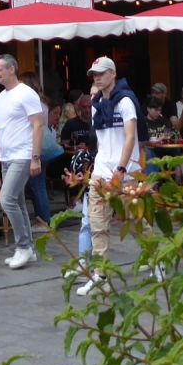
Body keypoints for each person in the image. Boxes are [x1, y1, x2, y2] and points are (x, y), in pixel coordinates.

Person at [73, 57, 140, 295]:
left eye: (101, 73)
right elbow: (101, 139)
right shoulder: (96, 103)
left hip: (125, 173)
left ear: (113, 74)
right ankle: (100, 274)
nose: (97, 78)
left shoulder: (126, 101)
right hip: (101, 173)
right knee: (97, 226)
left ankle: (156, 260)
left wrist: (121, 169)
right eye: (94, 74)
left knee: (136, 223)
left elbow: (130, 137)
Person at [0, 54, 46, 269]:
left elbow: (38, 126)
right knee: (17, 202)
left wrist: (35, 157)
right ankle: (29, 249)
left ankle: (23, 246)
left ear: (11, 69)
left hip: (23, 154)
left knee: (6, 199)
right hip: (7, 156)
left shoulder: (26, 93)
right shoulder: (1, 97)